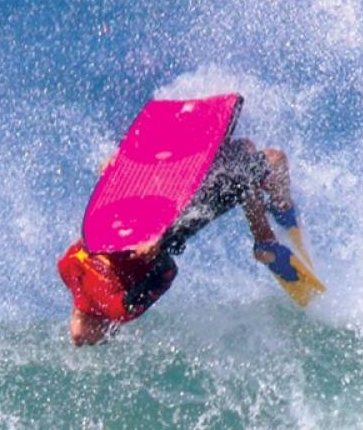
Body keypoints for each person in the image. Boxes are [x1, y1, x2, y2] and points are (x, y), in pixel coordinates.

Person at [57, 137, 304, 346]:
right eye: (88, 341)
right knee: (268, 162)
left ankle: (271, 228)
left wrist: (112, 175)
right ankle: (270, 234)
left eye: (82, 339)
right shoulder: (118, 309)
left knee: (242, 149)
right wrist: (157, 248)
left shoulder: (68, 269)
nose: (77, 338)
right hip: (173, 225)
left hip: (152, 204)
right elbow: (167, 272)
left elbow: (96, 227)